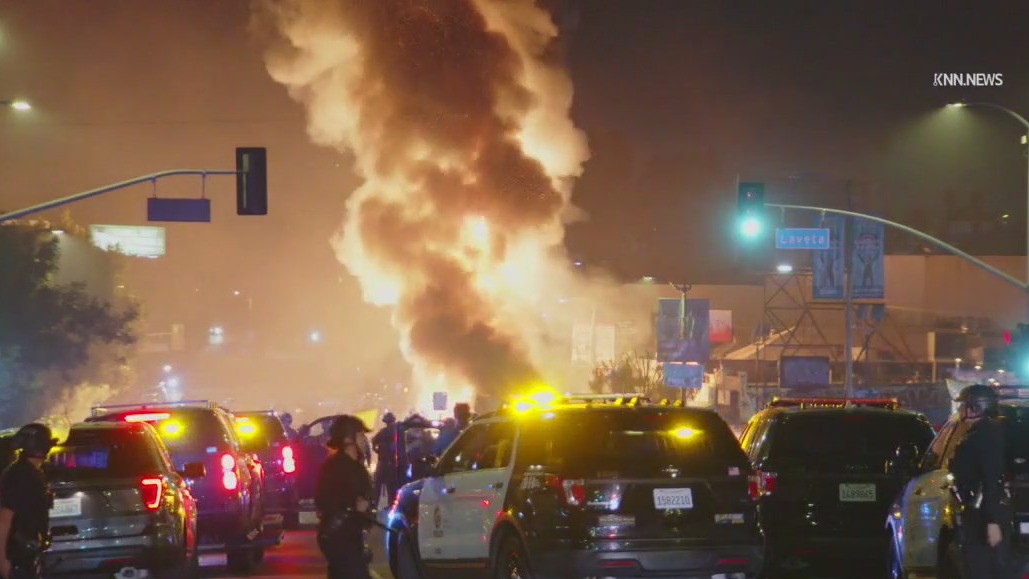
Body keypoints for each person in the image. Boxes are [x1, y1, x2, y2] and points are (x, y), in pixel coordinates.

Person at [948, 384, 1013, 579]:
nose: (960, 410)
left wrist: (992, 522)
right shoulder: (978, 432)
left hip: (984, 515)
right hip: (977, 514)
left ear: (976, 407)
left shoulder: (986, 435)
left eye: (963, 405)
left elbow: (991, 478)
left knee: (983, 568)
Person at [315, 415, 374, 579]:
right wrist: (352, 506)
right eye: (361, 435)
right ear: (348, 439)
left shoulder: (356, 466)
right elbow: (323, 500)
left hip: (352, 535)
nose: (364, 440)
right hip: (339, 536)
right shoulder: (335, 467)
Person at [0, 424, 57, 579]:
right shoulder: (20, 475)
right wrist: (3, 559)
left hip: (28, 552)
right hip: (18, 554)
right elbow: (5, 518)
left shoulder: (32, 473)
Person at [371, 412, 404, 507]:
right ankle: (391, 505)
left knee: (378, 484)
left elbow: (373, 442)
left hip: (384, 462)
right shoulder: (398, 432)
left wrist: (378, 450)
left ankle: (375, 504)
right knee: (391, 486)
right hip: (392, 463)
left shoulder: (383, 432)